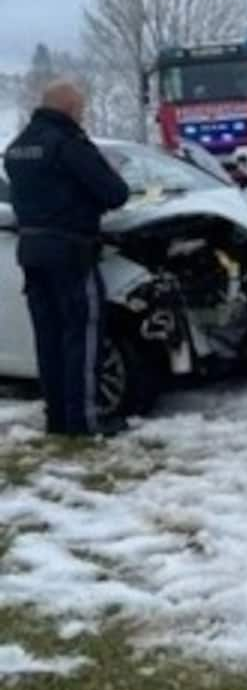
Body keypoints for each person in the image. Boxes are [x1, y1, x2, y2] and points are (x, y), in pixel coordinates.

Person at [5, 80, 130, 436]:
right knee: (82, 335)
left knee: (49, 338)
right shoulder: (68, 143)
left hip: (30, 251)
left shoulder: (19, 146)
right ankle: (86, 421)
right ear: (69, 108)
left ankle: (57, 418)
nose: (83, 115)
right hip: (71, 252)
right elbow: (114, 193)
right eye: (81, 109)